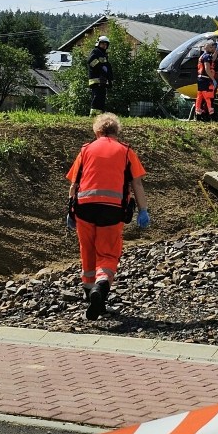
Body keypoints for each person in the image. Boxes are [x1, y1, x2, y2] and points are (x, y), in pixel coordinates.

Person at [66, 113, 150, 320]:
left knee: (88, 249)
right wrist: (143, 210)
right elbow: (137, 184)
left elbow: (74, 184)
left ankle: (90, 294)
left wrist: (70, 210)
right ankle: (101, 288)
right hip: (113, 210)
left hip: (84, 208)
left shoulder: (85, 150)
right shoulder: (126, 151)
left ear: (97, 131)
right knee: (108, 254)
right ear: (117, 131)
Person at [87, 36, 113, 117]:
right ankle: (93, 115)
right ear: (98, 43)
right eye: (102, 44)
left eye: (106, 44)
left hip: (103, 81)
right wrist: (101, 69)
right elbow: (91, 61)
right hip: (96, 80)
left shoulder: (104, 55)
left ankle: (99, 115)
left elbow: (108, 68)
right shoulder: (95, 51)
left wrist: (110, 79)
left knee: (101, 98)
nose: (104, 46)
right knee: (97, 97)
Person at [195, 39, 218, 121]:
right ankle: (213, 116)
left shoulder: (203, 56)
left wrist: (217, 50)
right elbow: (207, 68)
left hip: (200, 79)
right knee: (209, 98)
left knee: (199, 98)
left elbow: (213, 59)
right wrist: (213, 79)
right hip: (206, 80)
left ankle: (198, 115)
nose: (213, 48)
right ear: (208, 47)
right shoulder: (207, 56)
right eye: (212, 47)